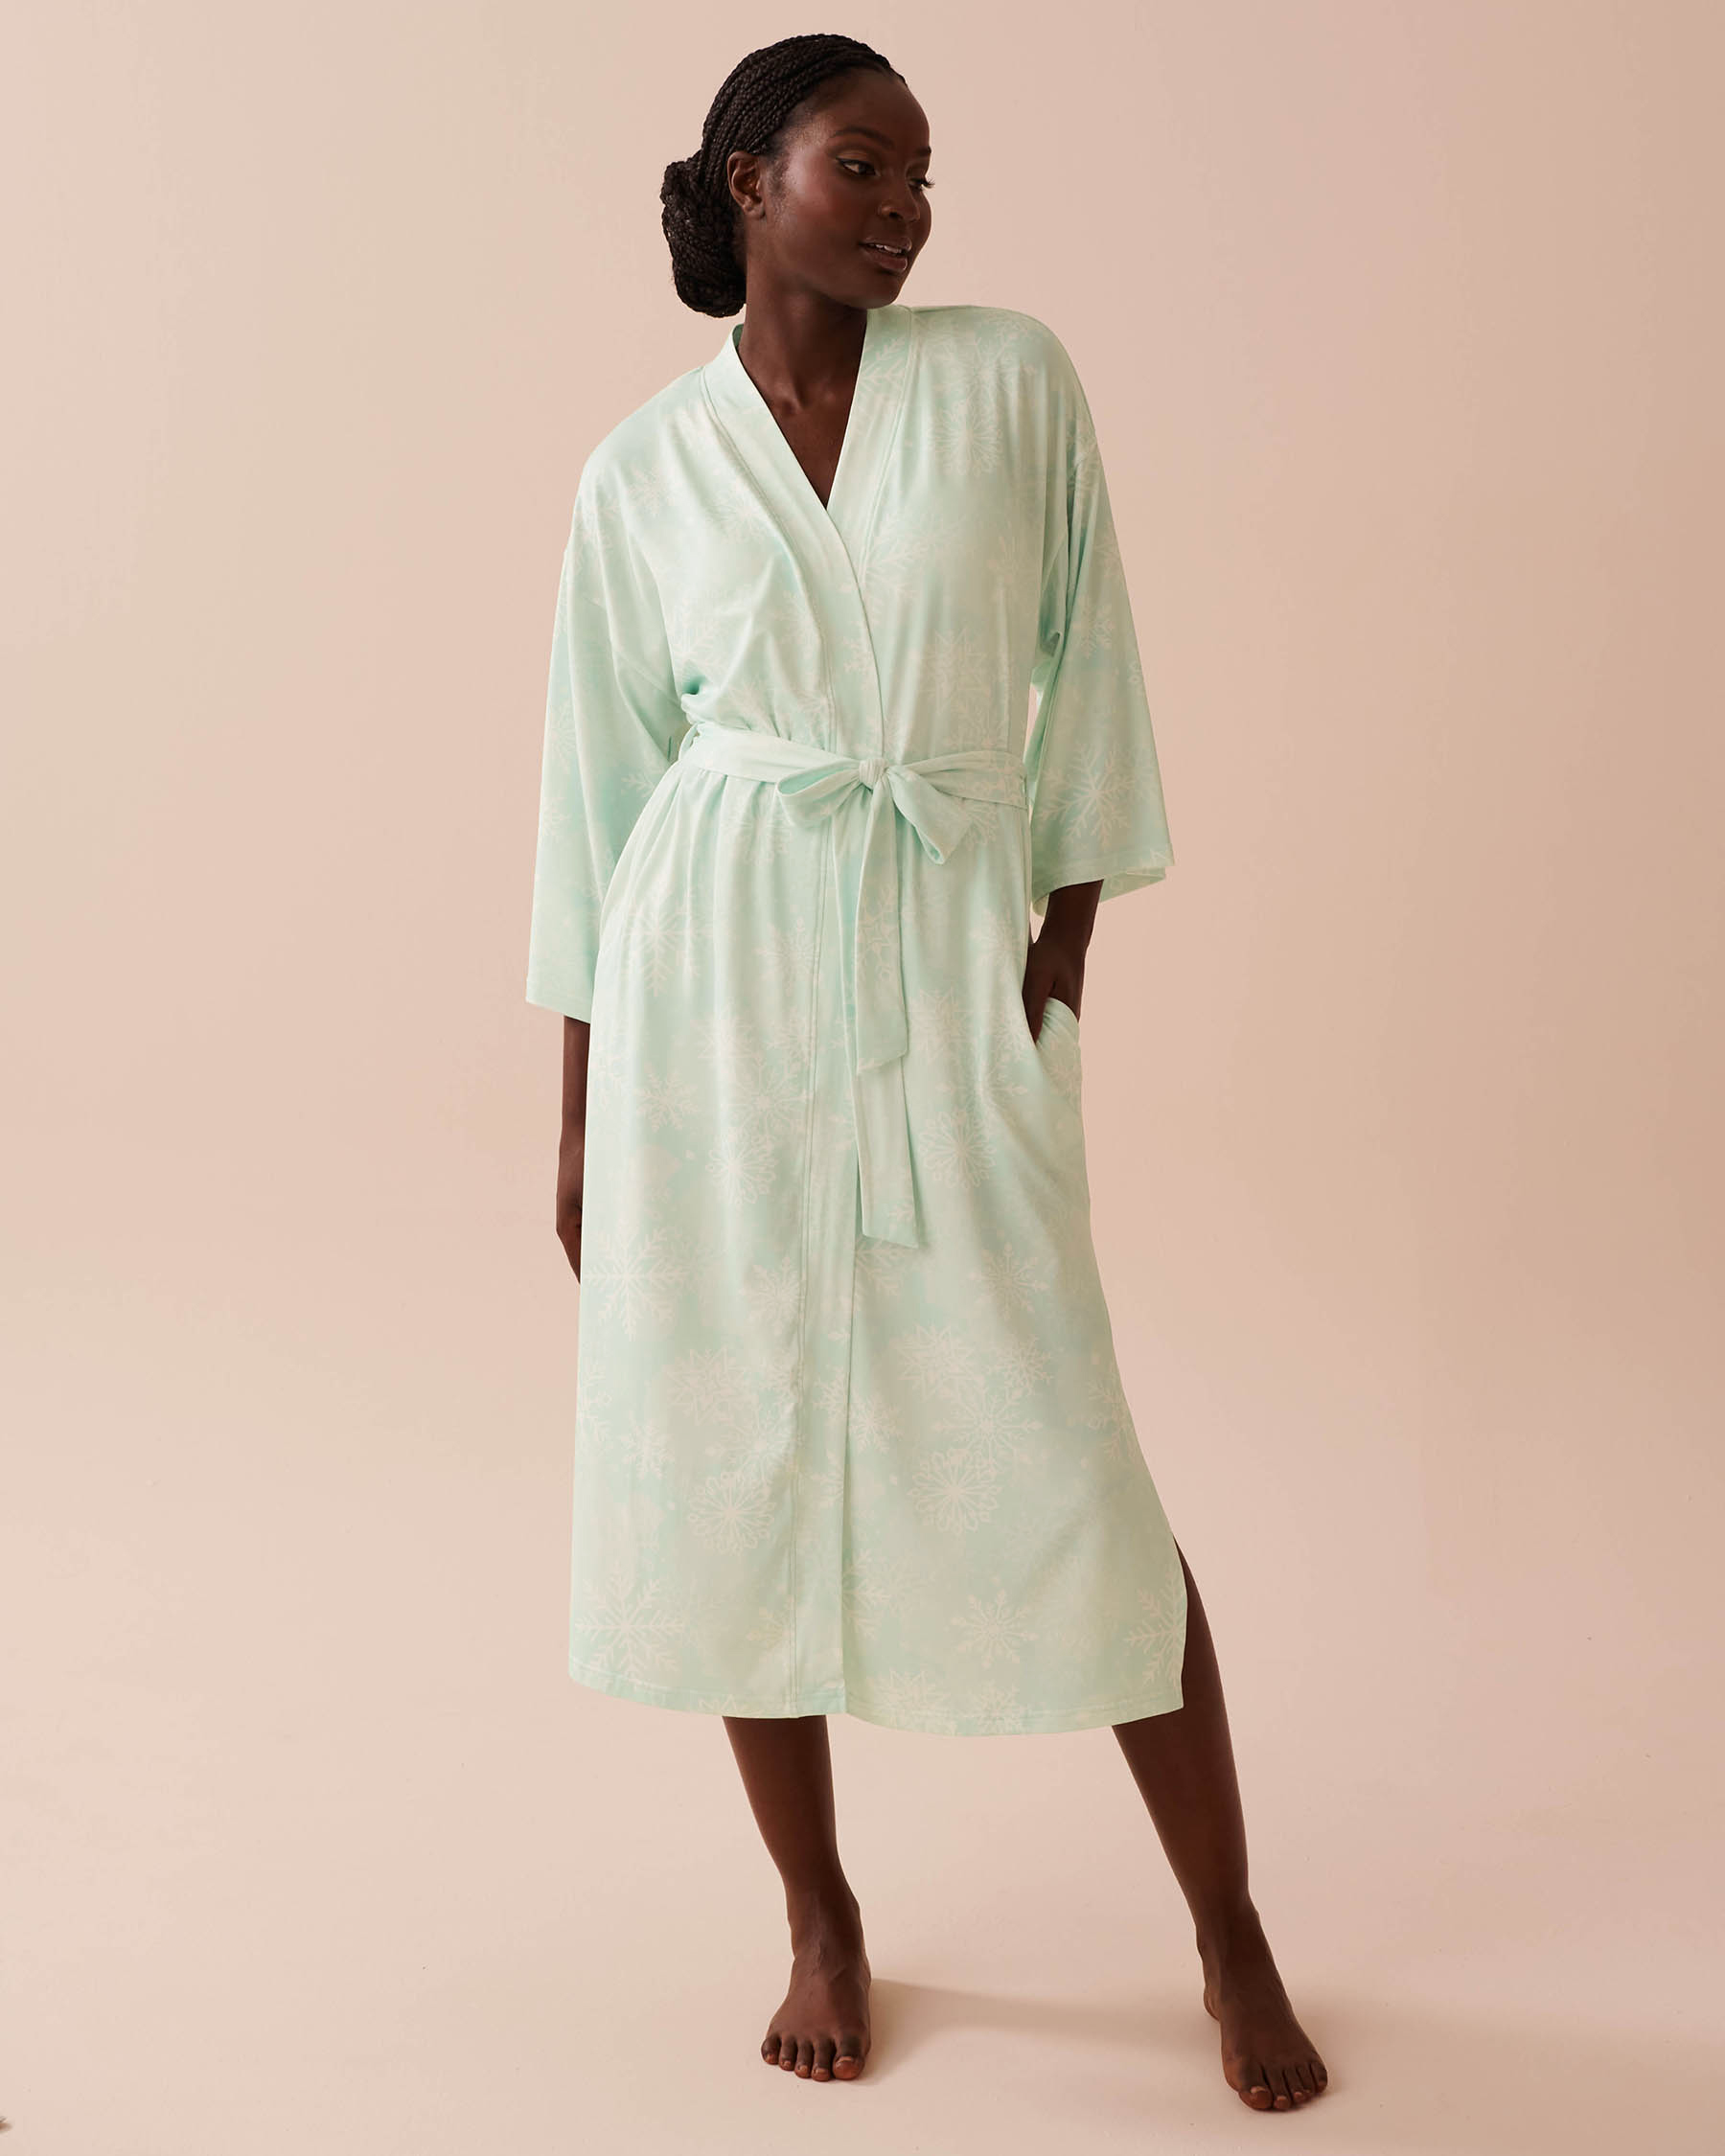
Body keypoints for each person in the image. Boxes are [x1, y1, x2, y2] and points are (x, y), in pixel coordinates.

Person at [525, 32, 1327, 2114]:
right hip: (712, 991)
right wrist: (585, 1106)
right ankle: (818, 1910)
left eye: (921, 178)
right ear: (750, 180)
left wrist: (1055, 958)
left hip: (946, 965)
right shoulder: (641, 471)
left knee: (1072, 1458)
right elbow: (600, 801)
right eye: (862, 169)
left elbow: (1091, 655)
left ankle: (1229, 1930)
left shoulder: (1006, 382)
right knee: (735, 1453)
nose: (906, 210)